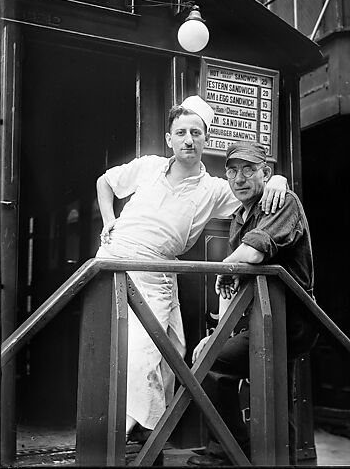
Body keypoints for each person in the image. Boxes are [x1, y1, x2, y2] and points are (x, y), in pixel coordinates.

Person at [95, 96, 288, 443]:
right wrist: (109, 221)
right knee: (137, 354)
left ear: (205, 139)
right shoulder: (149, 166)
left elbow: (256, 192)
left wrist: (280, 180)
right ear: (169, 139)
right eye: (180, 132)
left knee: (174, 352)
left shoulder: (214, 188)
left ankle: (147, 431)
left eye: (195, 133)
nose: (188, 139)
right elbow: (105, 183)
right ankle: (128, 435)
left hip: (160, 272)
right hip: (119, 259)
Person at [188, 140, 318, 467]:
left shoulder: (280, 200)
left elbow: (254, 252)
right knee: (267, 390)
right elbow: (237, 288)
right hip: (263, 317)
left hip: (291, 320)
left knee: (211, 363)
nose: (240, 179)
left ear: (267, 173)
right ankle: (270, 458)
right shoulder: (239, 215)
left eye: (249, 170)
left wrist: (225, 268)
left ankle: (232, 452)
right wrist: (219, 332)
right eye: (232, 171)